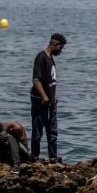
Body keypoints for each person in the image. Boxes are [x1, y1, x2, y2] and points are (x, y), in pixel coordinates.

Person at [30, 33, 66, 163]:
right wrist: (44, 96)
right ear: (55, 44)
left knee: (52, 131)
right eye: (60, 48)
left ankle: (53, 157)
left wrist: (53, 95)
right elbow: (36, 80)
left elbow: (50, 80)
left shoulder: (51, 58)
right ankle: (34, 158)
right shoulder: (41, 58)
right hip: (40, 101)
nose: (61, 51)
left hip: (51, 101)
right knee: (38, 130)